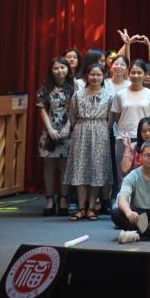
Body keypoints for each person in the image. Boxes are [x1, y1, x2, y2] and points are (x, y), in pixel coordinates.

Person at [65, 63, 113, 222]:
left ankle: (91, 208)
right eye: (92, 74)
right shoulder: (77, 95)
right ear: (86, 76)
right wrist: (82, 127)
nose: (95, 77)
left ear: (103, 76)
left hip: (100, 133)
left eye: (98, 75)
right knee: (80, 169)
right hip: (81, 132)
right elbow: (72, 116)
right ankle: (81, 208)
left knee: (97, 170)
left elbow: (111, 118)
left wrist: (100, 128)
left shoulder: (109, 96)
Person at [36, 57, 74, 216]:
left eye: (63, 67)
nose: (60, 71)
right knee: (49, 167)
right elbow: (42, 109)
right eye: (56, 68)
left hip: (68, 131)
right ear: (51, 71)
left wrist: (67, 127)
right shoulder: (45, 87)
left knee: (65, 167)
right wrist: (50, 129)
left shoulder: (74, 86)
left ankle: (63, 199)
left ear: (68, 69)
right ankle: (50, 200)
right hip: (49, 131)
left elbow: (75, 109)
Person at [113, 61, 150, 182]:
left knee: (144, 176)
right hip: (124, 138)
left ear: (145, 74)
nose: (136, 75)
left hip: (145, 138)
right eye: (133, 72)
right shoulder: (120, 94)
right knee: (123, 175)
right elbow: (117, 117)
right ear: (128, 73)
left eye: (139, 72)